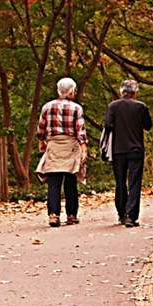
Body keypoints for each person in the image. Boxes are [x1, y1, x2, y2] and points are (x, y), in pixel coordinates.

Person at [35, 77, 87, 228]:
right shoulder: (77, 108)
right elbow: (81, 131)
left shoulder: (47, 107)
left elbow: (41, 128)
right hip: (71, 145)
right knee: (70, 181)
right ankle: (71, 215)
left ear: (59, 91)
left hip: (54, 146)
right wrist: (84, 150)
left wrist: (41, 142)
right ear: (71, 92)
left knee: (54, 182)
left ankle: (53, 215)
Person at [103, 79, 152, 227]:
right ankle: (131, 216)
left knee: (120, 182)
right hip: (136, 149)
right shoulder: (141, 107)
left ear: (121, 91)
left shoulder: (113, 106)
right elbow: (148, 126)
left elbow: (107, 124)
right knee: (134, 183)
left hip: (118, 149)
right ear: (135, 93)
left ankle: (121, 214)